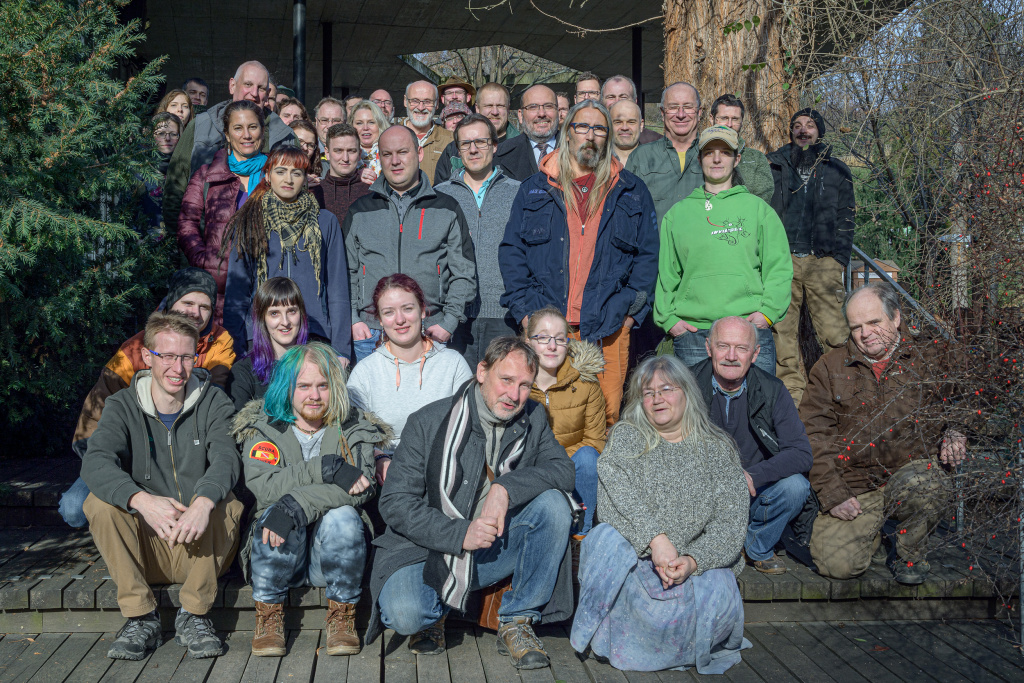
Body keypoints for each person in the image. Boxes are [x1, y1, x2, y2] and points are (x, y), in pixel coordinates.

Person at [367, 337, 576, 669]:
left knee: (554, 505)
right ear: (482, 371)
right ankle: (441, 609)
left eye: (525, 386)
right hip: (425, 549)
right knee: (405, 615)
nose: (514, 395)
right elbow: (394, 502)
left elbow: (564, 471)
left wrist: (505, 488)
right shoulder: (428, 421)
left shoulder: (533, 417)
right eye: (506, 380)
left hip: (491, 544)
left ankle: (517, 619)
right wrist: (458, 533)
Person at [569, 355, 749, 673]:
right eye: (648, 392)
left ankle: (664, 641)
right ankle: (644, 639)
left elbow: (730, 524)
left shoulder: (718, 449)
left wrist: (692, 560)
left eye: (666, 389)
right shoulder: (627, 437)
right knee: (604, 539)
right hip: (638, 563)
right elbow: (614, 503)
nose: (657, 399)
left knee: (720, 583)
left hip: (697, 568)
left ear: (687, 393)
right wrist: (657, 541)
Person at [81, 311, 243, 661]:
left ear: (195, 357)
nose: (177, 368)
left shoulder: (214, 401)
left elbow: (227, 458)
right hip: (145, 550)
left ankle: (195, 614)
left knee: (226, 502)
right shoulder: (122, 406)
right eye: (167, 356)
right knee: (98, 503)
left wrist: (202, 502)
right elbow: (94, 462)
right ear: (149, 357)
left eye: (186, 356)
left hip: (201, 548)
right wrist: (140, 499)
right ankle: (140, 616)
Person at [501, 100, 659, 424]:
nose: (591, 135)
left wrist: (630, 316)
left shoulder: (631, 191)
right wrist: (527, 314)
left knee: (606, 415)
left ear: (608, 137)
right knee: (541, 416)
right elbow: (511, 251)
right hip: (547, 327)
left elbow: (647, 258)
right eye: (582, 126)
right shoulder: (536, 188)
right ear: (567, 133)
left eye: (599, 128)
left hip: (608, 327)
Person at [801, 283, 967, 584]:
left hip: (911, 471)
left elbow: (968, 394)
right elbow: (814, 436)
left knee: (926, 487)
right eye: (856, 327)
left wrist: (957, 428)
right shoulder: (829, 367)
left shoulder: (929, 359)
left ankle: (910, 553)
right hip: (855, 483)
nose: (865, 333)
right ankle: (875, 537)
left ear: (896, 318)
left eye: (874, 322)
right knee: (835, 565)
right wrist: (833, 493)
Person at [233, 342, 390, 657]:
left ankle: (343, 612)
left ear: (335, 387)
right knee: (272, 515)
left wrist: (295, 505)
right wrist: (324, 468)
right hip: (276, 552)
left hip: (333, 554)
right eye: (303, 386)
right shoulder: (263, 427)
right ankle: (269, 612)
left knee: (344, 516)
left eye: (323, 386)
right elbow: (264, 487)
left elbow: (361, 487)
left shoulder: (353, 427)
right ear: (287, 388)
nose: (314, 395)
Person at [61, 268, 235, 529]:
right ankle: (118, 531)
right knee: (74, 508)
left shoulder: (219, 341)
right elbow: (101, 400)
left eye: (204, 307)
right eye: (187, 303)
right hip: (133, 451)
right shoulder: (136, 347)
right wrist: (97, 452)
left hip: (188, 448)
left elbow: (215, 393)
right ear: (171, 301)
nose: (195, 313)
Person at [654, 125, 792, 374]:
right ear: (700, 159)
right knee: (698, 412)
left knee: (757, 410)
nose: (717, 159)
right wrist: (670, 320)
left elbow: (779, 267)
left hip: (748, 330)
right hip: (694, 334)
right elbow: (667, 275)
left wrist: (768, 313)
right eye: (709, 153)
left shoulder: (758, 210)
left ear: (736, 159)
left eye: (725, 152)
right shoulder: (678, 214)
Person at [344, 125, 477, 362]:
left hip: (430, 331)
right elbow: (346, 272)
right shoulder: (360, 210)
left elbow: (464, 273)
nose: (395, 161)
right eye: (387, 154)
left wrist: (449, 322)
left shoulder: (446, 208)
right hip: (372, 333)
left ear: (419, 154)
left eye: (403, 152)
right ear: (379, 158)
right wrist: (353, 319)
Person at [691, 317, 813, 574]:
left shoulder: (773, 390)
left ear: (755, 354)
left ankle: (756, 545)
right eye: (723, 346)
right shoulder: (686, 386)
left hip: (754, 492)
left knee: (796, 486)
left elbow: (801, 453)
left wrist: (751, 476)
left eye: (742, 348)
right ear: (708, 348)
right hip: (700, 492)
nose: (731, 356)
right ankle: (700, 545)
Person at [221, 147, 352, 361]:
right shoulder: (250, 220)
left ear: (305, 179)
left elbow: (337, 289)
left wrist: (341, 349)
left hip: (314, 335)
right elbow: (237, 291)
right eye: (280, 171)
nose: (288, 179)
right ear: (268, 176)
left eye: (297, 172)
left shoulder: (325, 222)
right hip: (261, 337)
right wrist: (237, 346)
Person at [347, 274, 473, 484]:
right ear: (379, 319)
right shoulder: (365, 372)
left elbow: (468, 423)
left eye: (407, 308)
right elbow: (352, 429)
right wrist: (378, 456)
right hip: (388, 472)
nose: (399, 320)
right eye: (389, 312)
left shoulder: (453, 364)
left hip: (442, 467)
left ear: (422, 310)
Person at [769, 108, 856, 406]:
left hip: (823, 262)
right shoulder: (776, 164)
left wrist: (839, 259)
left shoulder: (837, 169)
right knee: (783, 333)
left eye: (810, 126)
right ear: (791, 131)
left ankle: (845, 392)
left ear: (819, 132)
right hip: (785, 259)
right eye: (797, 125)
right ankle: (793, 399)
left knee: (834, 332)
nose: (803, 130)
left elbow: (847, 216)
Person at [164, 60, 295, 239]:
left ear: (268, 94)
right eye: (248, 84)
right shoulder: (200, 126)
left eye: (261, 88)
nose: (254, 94)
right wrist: (183, 249)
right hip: (205, 250)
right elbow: (174, 191)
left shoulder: (284, 137)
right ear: (232, 85)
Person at [435, 114, 522, 367]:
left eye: (481, 142)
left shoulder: (518, 193)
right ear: (458, 150)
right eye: (465, 144)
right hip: (452, 316)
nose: (473, 149)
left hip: (504, 315)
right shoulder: (440, 195)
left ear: (495, 146)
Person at [178, 100, 268, 325]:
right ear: (227, 135)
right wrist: (205, 261)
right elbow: (187, 222)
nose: (246, 135)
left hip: (266, 285)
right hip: (219, 289)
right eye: (238, 128)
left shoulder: (277, 173)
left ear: (262, 131)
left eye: (253, 127)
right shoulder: (207, 174)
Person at [524, 307, 605, 535]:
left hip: (573, 467)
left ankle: (581, 533)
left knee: (589, 457)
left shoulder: (586, 383)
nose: (552, 346)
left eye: (560, 339)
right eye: (543, 338)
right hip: (530, 469)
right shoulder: (517, 383)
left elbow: (595, 440)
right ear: (529, 342)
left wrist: (559, 465)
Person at [625, 81, 704, 225]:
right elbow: (626, 213)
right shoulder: (641, 157)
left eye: (688, 107)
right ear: (662, 113)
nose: (681, 114)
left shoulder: (715, 157)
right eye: (673, 107)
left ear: (699, 113)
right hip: (656, 248)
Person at [225, 276, 309, 410]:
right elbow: (236, 426)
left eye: (291, 311)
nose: (285, 322)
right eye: (274, 313)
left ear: (301, 314)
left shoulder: (318, 365)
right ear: (262, 318)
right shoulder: (243, 372)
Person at [432, 82, 526, 184]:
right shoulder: (453, 150)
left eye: (500, 106)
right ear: (477, 108)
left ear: (508, 108)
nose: (494, 112)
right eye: (488, 106)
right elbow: (442, 192)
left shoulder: (523, 148)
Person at [708, 94, 774, 203]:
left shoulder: (756, 158)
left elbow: (763, 199)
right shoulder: (699, 154)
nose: (729, 124)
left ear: (742, 121)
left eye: (735, 119)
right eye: (724, 118)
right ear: (712, 119)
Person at [311, 123, 373, 229]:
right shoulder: (314, 192)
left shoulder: (371, 194)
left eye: (351, 151)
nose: (345, 158)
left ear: (359, 154)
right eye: (338, 150)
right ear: (327, 153)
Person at [398, 80, 454, 183]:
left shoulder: (451, 140)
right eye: (415, 101)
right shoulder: (389, 137)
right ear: (405, 101)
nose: (421, 107)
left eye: (428, 102)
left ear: (437, 104)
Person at [141, 112, 181, 237]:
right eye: (161, 134)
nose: (167, 138)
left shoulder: (188, 168)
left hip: (178, 244)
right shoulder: (139, 169)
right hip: (143, 244)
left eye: (173, 134)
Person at [601, 75, 661, 144]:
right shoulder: (593, 137)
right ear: (602, 102)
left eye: (623, 97)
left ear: (635, 101)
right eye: (611, 97)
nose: (617, 102)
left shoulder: (654, 142)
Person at [350, 99, 390, 182]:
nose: (365, 128)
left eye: (371, 122)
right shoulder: (344, 154)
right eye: (359, 123)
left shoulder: (392, 151)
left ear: (380, 124)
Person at [609, 100, 643, 165]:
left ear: (641, 125)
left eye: (631, 122)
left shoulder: (656, 161)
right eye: (618, 122)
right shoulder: (596, 162)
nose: (624, 128)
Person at [289, 119, 321, 184]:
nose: (305, 148)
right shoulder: (273, 170)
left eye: (310, 145)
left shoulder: (317, 179)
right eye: (300, 141)